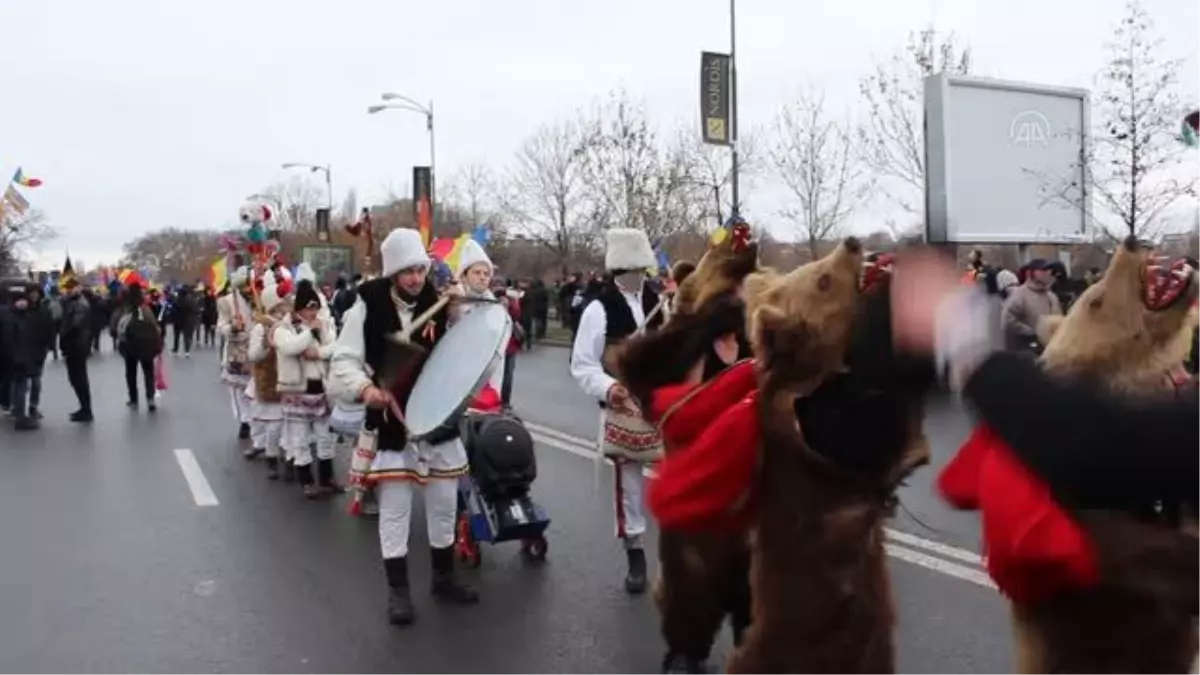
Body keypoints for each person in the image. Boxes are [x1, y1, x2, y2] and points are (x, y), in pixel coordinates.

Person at [330, 228, 478, 627]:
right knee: (395, 509)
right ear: (393, 272)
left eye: (420, 270)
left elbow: (469, 344)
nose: (416, 279)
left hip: (436, 416)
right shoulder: (367, 304)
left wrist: (462, 307)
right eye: (408, 272)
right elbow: (342, 360)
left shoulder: (439, 301)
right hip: (393, 419)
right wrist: (364, 388)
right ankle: (398, 592)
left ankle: (444, 578)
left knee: (445, 503)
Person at [570, 227, 664, 594]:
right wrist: (610, 388)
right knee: (630, 483)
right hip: (623, 404)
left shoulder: (658, 302)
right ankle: (635, 553)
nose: (639, 276)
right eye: (633, 269)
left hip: (660, 402)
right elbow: (582, 364)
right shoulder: (598, 308)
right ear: (619, 269)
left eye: (643, 269)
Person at [274, 277, 339, 499]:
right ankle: (306, 481)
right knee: (300, 439)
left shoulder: (323, 325)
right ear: (299, 308)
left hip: (320, 388)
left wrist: (319, 349)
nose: (313, 314)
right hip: (296, 390)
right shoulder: (283, 328)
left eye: (316, 309)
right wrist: (310, 333)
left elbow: (335, 346)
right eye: (309, 309)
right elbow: (291, 348)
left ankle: (327, 478)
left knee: (325, 437)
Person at [0, 283, 54, 430]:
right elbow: (10, 339)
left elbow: (46, 330)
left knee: (27, 384)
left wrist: (48, 347)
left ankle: (27, 410)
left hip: (31, 355)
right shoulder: (11, 316)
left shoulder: (34, 313)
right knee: (20, 386)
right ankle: (19, 416)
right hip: (18, 358)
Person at [217, 267, 255, 439]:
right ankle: (244, 421)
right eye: (246, 286)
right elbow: (221, 326)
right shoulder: (226, 301)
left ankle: (257, 421)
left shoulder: (260, 298)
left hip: (258, 349)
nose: (249, 289)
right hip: (237, 350)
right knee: (238, 390)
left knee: (256, 388)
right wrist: (232, 327)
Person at [115, 283, 162, 411]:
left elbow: (119, 329)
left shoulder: (127, 311)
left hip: (131, 346)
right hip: (148, 346)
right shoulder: (146, 309)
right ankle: (150, 398)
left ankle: (133, 399)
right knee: (148, 373)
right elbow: (156, 329)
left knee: (131, 373)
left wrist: (121, 344)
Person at [59, 279, 93, 423]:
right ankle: (84, 408)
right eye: (67, 288)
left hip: (77, 345)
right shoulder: (71, 302)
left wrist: (64, 340)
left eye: (71, 288)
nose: (68, 291)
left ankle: (86, 410)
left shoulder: (80, 304)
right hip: (74, 345)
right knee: (75, 378)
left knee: (79, 378)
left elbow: (73, 326)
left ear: (78, 288)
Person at [172, 285, 198, 357]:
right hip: (187, 320)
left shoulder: (176, 299)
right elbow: (194, 310)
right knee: (186, 336)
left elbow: (173, 308)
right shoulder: (190, 300)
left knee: (176, 336)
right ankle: (187, 350)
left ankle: (175, 349)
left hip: (178, 319)